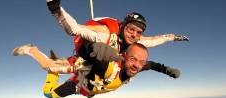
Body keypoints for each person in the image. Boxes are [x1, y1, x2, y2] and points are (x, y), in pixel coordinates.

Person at [46, 0, 189, 78]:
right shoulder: (106, 34)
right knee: (96, 52)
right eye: (131, 29)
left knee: (137, 61)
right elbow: (74, 29)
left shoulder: (137, 40)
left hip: (113, 64)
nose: (134, 35)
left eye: (138, 32)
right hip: (89, 59)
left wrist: (174, 38)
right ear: (123, 27)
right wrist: (56, 9)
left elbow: (155, 40)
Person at [14, 42, 148, 98]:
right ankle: (31, 49)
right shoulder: (115, 67)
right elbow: (99, 62)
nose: (135, 66)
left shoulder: (127, 74)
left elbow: (151, 65)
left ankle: (54, 69)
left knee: (48, 93)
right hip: (81, 69)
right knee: (47, 66)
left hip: (80, 86)